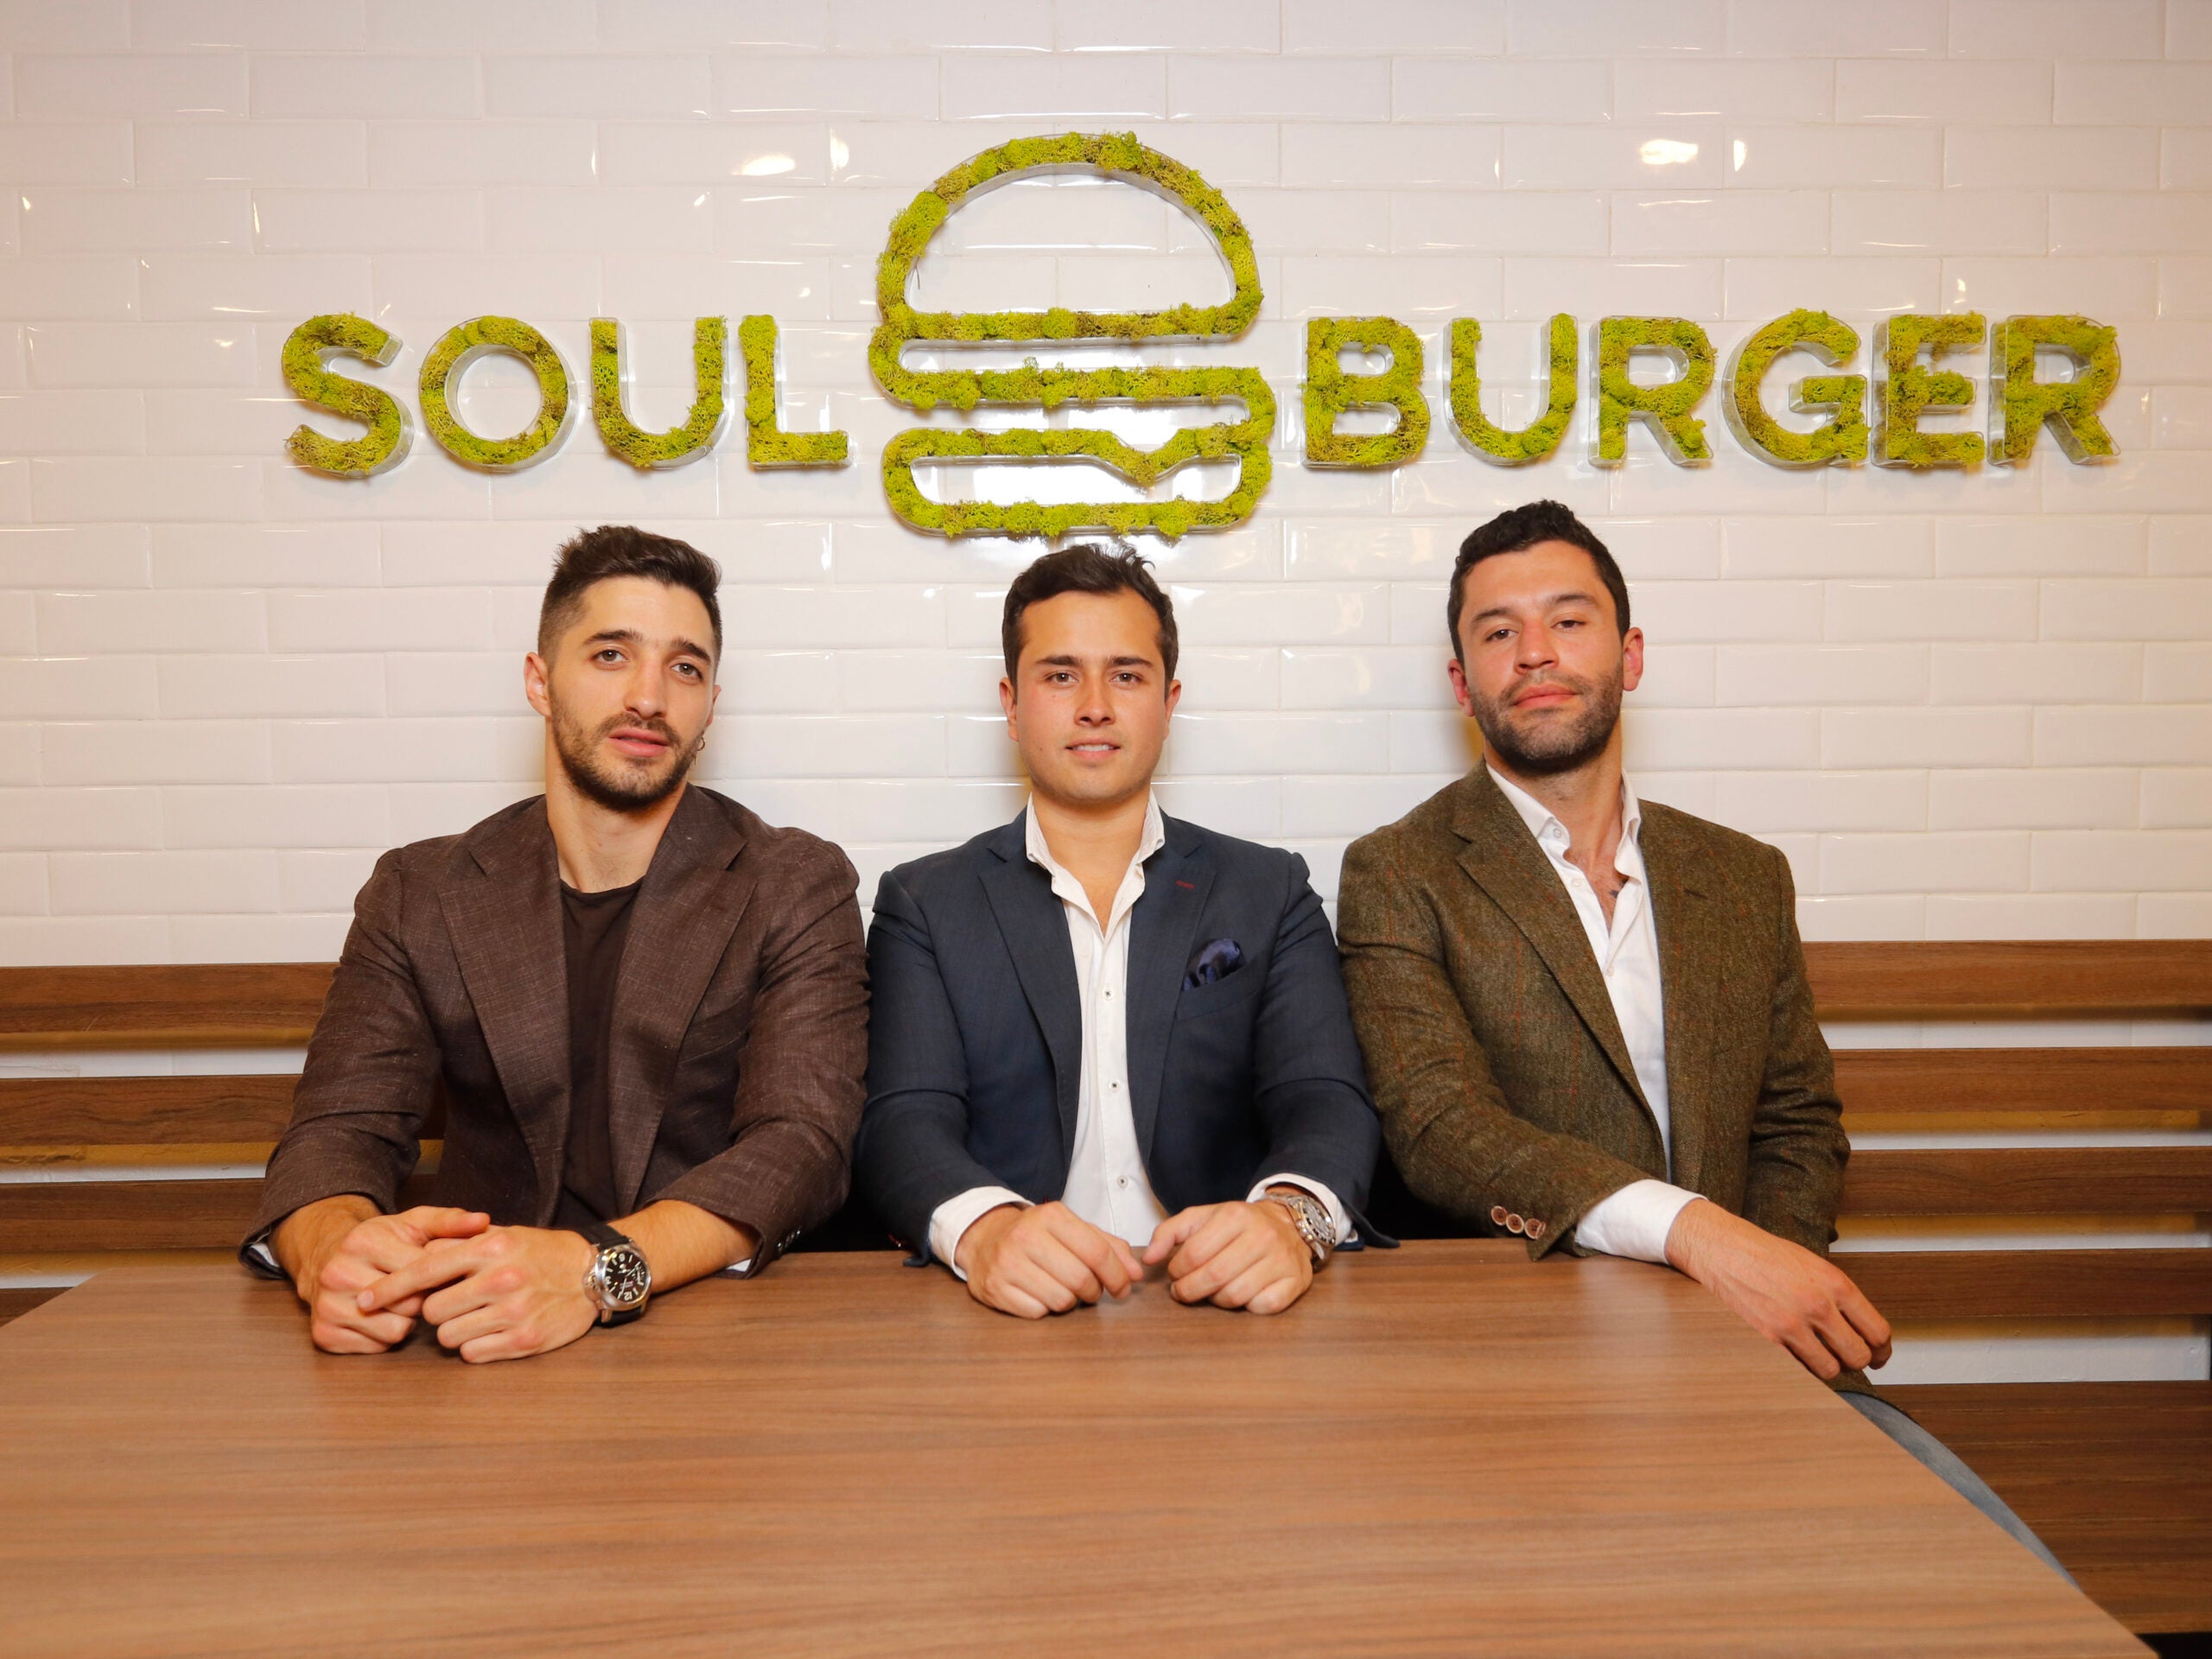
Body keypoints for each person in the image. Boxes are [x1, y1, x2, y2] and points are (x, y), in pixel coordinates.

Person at [1336, 499, 2069, 1575]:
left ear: (1629, 654)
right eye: (1497, 631)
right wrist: (1701, 1238)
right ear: (1462, 681)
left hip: (1758, 1357)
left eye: (1568, 620)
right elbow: (1441, 1128)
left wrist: (1764, 1291)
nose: (1534, 652)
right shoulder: (1398, 871)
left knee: (1983, 1583)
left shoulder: (1741, 875)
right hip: (1525, 1375)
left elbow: (1796, 1121)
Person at [241, 525, 868, 1363]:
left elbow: (801, 1143)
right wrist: (333, 1250)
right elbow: (337, 1129)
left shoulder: (790, 881)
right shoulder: (421, 891)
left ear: (711, 704)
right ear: (539, 681)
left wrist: (593, 1269)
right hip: (474, 1331)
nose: (649, 696)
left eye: (685, 668)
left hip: (714, 1333)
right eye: (611, 655)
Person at [854, 543, 1382, 1319]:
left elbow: (1324, 1097)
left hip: (1221, 1305)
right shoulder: (926, 903)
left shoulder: (1269, 890)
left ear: (1168, 703)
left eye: (1127, 676)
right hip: (1009, 1314)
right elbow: (903, 1121)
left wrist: (1289, 1219)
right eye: (1061, 675)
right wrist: (987, 1231)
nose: (1095, 705)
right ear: (1011, 704)